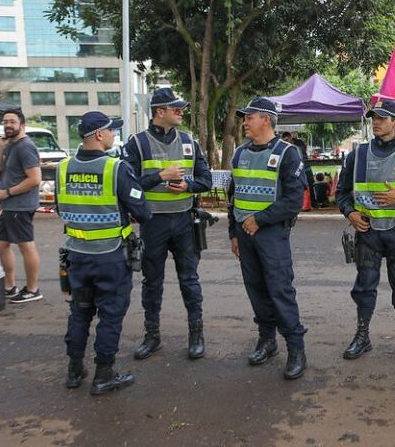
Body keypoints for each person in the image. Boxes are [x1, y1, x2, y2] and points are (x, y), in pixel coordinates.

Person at [57, 112, 151, 395]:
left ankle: (75, 370)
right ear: (99, 135)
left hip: (76, 254)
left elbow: (62, 210)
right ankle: (104, 374)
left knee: (80, 311)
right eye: (111, 131)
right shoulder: (115, 168)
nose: (114, 136)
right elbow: (143, 211)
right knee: (110, 315)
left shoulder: (63, 168)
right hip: (110, 257)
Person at [335, 99, 395, 362]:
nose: (376, 122)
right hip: (367, 233)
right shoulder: (357, 155)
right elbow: (342, 193)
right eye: (373, 117)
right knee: (365, 286)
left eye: (382, 117)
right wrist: (350, 213)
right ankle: (362, 336)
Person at [122, 88, 212, 360]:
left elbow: (206, 180)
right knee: (152, 282)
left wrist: (188, 185)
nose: (181, 111)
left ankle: (196, 335)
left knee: (190, 280)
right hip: (153, 223)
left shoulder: (189, 141)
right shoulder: (136, 144)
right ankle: (152, 336)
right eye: (176, 108)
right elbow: (127, 185)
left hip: (185, 221)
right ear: (160, 111)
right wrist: (161, 175)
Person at [228, 97, 308, 380]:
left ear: (265, 119)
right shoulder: (239, 154)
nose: (245, 122)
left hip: (271, 234)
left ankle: (296, 349)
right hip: (245, 235)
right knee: (256, 289)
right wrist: (233, 233)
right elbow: (232, 197)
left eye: (249, 117)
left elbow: (294, 200)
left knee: (280, 290)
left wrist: (259, 219)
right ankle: (267, 340)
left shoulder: (288, 153)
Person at [0, 109, 42, 303]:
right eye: (5, 122)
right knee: (0, 243)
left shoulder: (25, 146)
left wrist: (7, 192)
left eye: (12, 121)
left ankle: (33, 289)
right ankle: (10, 287)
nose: (8, 125)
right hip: (10, 205)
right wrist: (1, 148)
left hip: (20, 205)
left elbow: (35, 179)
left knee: (25, 246)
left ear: (22, 125)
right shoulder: (11, 145)